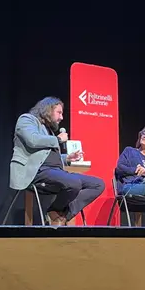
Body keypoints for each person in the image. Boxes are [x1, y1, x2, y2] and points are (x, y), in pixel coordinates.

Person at [10, 96, 105, 226]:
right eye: (59, 112)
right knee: (73, 182)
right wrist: (58, 140)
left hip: (55, 172)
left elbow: (46, 156)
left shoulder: (49, 131)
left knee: (98, 184)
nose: (61, 118)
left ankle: (60, 214)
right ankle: (56, 212)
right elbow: (32, 140)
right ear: (48, 109)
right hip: (36, 172)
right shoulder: (27, 120)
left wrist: (67, 158)